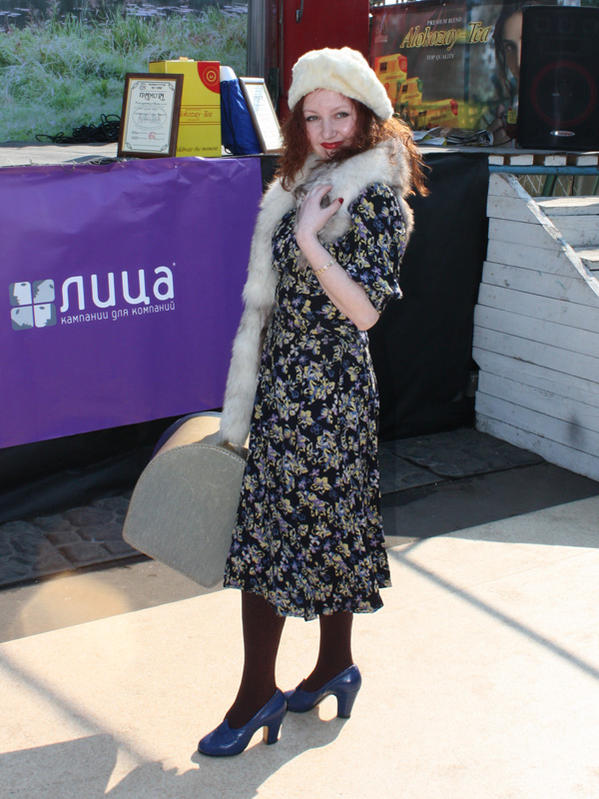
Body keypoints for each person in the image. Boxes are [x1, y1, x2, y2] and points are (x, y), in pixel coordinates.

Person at [198, 46, 428, 757]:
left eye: (341, 116)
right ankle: (334, 666)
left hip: (330, 392)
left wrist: (306, 238)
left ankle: (255, 695)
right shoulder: (301, 181)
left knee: (278, 537)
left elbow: (365, 311)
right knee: (316, 529)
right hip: (284, 381)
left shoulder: (375, 196)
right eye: (313, 117)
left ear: (366, 117)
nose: (327, 131)